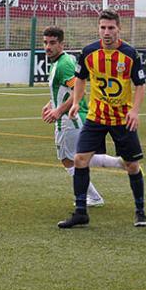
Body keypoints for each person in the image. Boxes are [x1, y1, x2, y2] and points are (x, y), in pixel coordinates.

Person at [57, 9, 146, 228]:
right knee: (80, 159)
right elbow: (80, 79)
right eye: (103, 28)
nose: (107, 32)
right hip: (96, 117)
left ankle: (140, 210)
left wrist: (134, 111)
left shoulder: (130, 54)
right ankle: (81, 212)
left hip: (121, 119)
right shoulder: (89, 52)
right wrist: (77, 102)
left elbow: (140, 85)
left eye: (111, 28)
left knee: (132, 165)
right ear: (99, 29)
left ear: (119, 29)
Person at [41, 26, 125, 207]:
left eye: (53, 43)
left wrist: (58, 111)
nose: (48, 47)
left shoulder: (63, 64)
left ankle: (94, 196)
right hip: (75, 117)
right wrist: (50, 104)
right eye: (46, 42)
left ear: (62, 44)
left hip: (71, 118)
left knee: (69, 159)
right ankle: (117, 164)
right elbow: (64, 90)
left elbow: (77, 92)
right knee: (78, 157)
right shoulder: (61, 61)